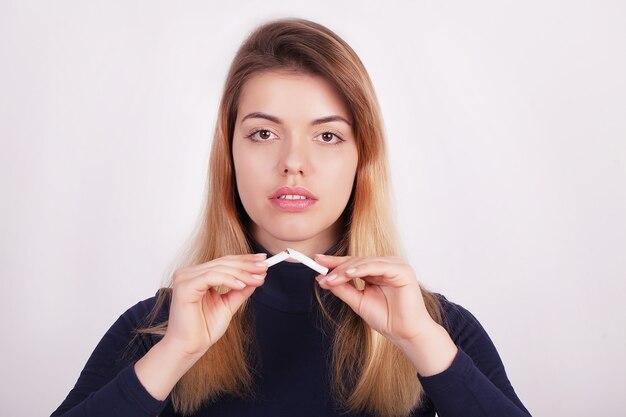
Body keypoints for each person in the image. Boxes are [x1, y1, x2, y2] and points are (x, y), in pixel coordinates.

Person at [50, 17, 533, 417]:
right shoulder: (158, 327)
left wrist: (421, 343)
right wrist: (173, 355)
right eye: (263, 134)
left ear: (362, 160)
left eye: (327, 136)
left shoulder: (439, 328)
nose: (293, 162)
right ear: (230, 155)